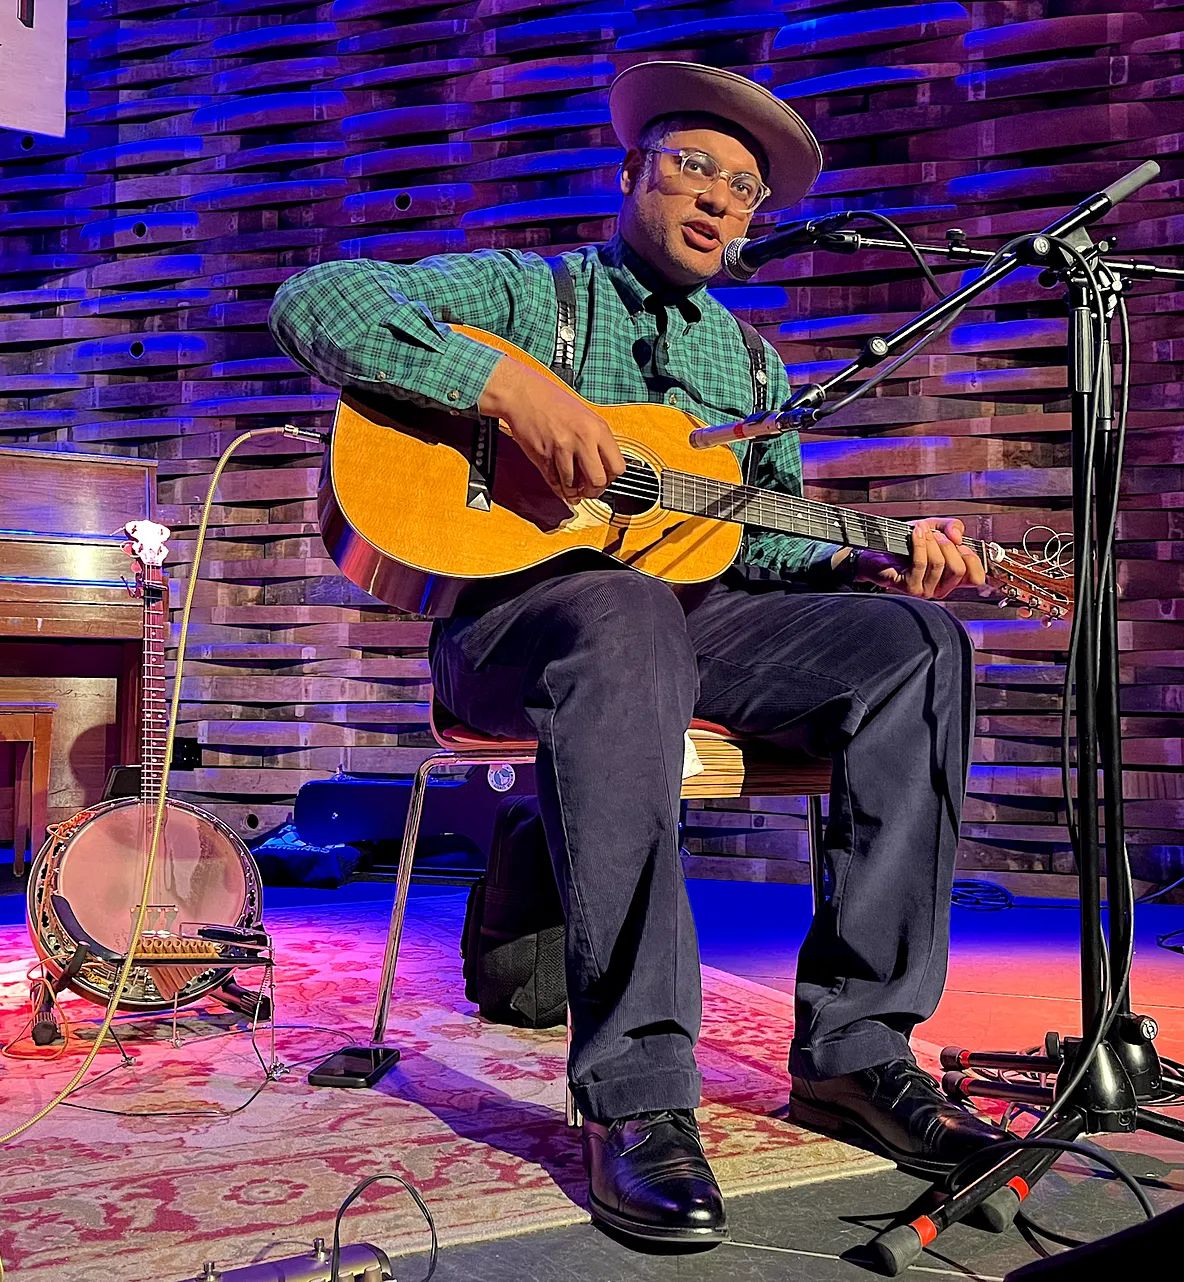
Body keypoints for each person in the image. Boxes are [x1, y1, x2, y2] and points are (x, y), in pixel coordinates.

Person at [268, 60, 1006, 1247]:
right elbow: (318, 300)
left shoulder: (756, 369)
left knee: (913, 642)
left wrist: (873, 559)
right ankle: (642, 1093)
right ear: (630, 176)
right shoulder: (532, 292)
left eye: (745, 189)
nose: (720, 200)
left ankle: (857, 1049)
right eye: (694, 167)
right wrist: (502, 384)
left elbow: (759, 554)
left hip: (684, 621)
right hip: (511, 621)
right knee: (622, 608)